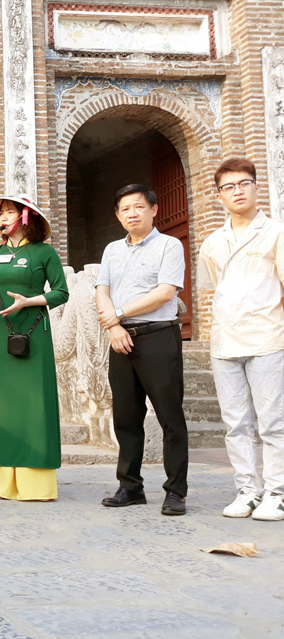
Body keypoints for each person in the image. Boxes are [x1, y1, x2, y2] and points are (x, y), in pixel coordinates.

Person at [198, 158, 284, 521]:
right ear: (219, 195)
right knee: (236, 423)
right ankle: (248, 489)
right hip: (225, 342)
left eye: (243, 183)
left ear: (256, 187)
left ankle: (278, 492)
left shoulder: (276, 231)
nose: (237, 191)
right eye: (229, 187)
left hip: (267, 336)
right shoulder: (213, 242)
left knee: (273, 421)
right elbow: (213, 286)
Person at [95, 183, 189, 516]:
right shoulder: (111, 250)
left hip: (158, 337)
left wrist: (119, 314)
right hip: (120, 339)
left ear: (153, 209)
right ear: (118, 216)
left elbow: (165, 293)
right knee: (126, 417)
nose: (131, 213)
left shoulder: (169, 246)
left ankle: (176, 491)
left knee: (170, 416)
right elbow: (102, 291)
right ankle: (130, 487)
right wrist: (114, 326)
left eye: (138, 206)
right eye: (125, 209)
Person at [0, 194, 69, 501]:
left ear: (25, 217)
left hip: (34, 334)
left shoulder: (45, 253)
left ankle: (35, 484)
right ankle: (0, 482)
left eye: (9, 212)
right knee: (2, 406)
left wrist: (30, 301)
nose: (2, 218)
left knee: (34, 404)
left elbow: (61, 292)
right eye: (0, 214)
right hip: (0, 334)